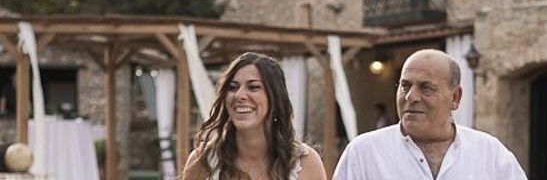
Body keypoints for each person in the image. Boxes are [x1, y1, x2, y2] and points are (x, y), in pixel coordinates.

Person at [333, 49, 527, 179]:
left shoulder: (490, 154)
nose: (411, 96)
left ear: (455, 97)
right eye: (405, 86)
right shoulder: (363, 153)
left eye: (426, 88)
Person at [181, 52, 327, 180]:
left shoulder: (306, 164)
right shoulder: (203, 161)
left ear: (275, 99)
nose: (239, 95)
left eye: (253, 87)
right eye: (232, 87)